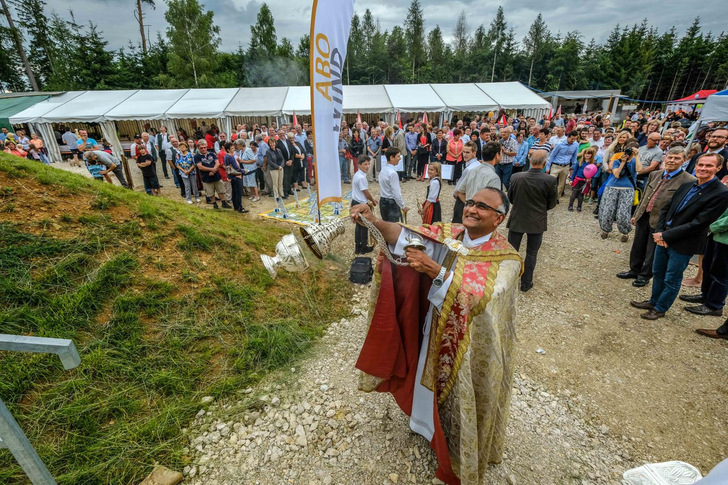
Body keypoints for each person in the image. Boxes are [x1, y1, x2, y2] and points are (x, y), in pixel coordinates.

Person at [351, 187, 522, 485]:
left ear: (498, 218)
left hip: (466, 349)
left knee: (460, 401)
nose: (471, 209)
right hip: (435, 325)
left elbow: (482, 298)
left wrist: (436, 271)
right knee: (424, 378)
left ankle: (458, 452)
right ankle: (425, 425)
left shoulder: (508, 259)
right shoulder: (450, 233)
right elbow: (405, 236)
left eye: (482, 206)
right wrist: (374, 223)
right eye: (470, 202)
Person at [631, 153, 728, 320]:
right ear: (695, 165)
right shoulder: (688, 184)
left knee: (672, 278)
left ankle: (660, 308)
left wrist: (666, 235)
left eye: (709, 166)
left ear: (718, 168)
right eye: (701, 165)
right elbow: (666, 208)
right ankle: (653, 301)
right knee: (658, 271)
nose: (703, 168)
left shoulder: (720, 193)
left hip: (684, 242)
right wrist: (659, 232)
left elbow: (700, 223)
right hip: (663, 237)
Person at [617, 148, 694, 287]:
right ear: (665, 158)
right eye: (670, 157)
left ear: (684, 160)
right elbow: (646, 195)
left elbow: (682, 205)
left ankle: (645, 275)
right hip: (644, 215)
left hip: (662, 220)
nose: (672, 160)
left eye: (677, 158)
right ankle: (634, 270)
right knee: (638, 245)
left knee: (652, 250)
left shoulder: (689, 180)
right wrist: (636, 214)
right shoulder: (655, 174)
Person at [507, 150, 558, 291]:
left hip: (518, 217)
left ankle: (508, 280)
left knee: (512, 251)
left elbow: (510, 198)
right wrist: (540, 209)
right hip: (537, 219)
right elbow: (552, 203)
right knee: (531, 252)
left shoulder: (516, 177)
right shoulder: (550, 180)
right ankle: (526, 282)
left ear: (530, 160)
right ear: (544, 163)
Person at [681, 203, 728, 318]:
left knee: (721, 274)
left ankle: (714, 305)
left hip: (724, 238)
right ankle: (706, 295)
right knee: (708, 266)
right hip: (716, 235)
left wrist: (713, 226)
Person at [599, 143, 643, 242]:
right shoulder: (617, 161)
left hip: (628, 189)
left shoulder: (636, 160)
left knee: (623, 212)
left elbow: (639, 169)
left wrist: (637, 156)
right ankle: (605, 230)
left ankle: (625, 232)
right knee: (608, 210)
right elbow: (617, 175)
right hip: (612, 187)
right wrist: (623, 162)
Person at [451, 141, 482, 224]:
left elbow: (459, 188)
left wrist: (456, 194)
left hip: (464, 199)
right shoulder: (478, 164)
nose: (464, 155)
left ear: (474, 153)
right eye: (463, 152)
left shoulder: (469, 168)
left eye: (467, 152)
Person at [351, 155, 377, 254]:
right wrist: (373, 200)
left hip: (355, 201)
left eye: (368, 164)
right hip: (360, 203)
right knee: (364, 226)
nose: (367, 166)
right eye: (365, 164)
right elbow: (365, 192)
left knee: (359, 226)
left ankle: (358, 247)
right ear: (359, 165)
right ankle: (363, 247)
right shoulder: (361, 177)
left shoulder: (357, 175)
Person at [195, 140, 231, 210]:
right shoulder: (197, 156)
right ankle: (214, 204)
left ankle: (224, 203)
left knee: (221, 190)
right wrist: (211, 170)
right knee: (210, 192)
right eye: (201, 148)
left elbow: (217, 163)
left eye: (204, 147)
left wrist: (214, 170)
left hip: (216, 175)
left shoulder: (212, 154)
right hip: (206, 177)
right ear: (198, 148)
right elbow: (200, 166)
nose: (203, 149)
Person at [546, 130, 579, 199]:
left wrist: (573, 166)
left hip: (566, 166)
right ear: (568, 137)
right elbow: (552, 155)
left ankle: (556, 198)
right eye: (572, 139)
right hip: (556, 165)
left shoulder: (576, 145)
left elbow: (574, 156)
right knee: (552, 182)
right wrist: (548, 167)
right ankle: (548, 196)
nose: (573, 140)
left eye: (575, 139)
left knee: (562, 184)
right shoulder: (559, 144)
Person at [378, 147, 408, 222]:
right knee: (394, 229)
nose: (400, 158)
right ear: (391, 157)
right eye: (398, 156)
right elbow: (396, 194)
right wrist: (403, 206)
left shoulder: (383, 170)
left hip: (382, 201)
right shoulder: (393, 173)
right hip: (391, 204)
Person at [568, 146, 597, 212]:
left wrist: (590, 178)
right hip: (577, 179)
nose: (587, 155)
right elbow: (574, 171)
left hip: (585, 181)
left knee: (581, 194)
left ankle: (579, 206)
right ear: (583, 154)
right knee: (574, 193)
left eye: (589, 154)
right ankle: (570, 205)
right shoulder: (579, 162)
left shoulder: (593, 164)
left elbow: (593, 172)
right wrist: (571, 180)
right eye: (586, 153)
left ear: (592, 155)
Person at [223, 142, 248, 214]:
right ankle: (239, 207)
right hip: (236, 176)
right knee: (238, 192)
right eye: (232, 148)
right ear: (228, 149)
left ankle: (236, 206)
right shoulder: (230, 157)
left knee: (234, 192)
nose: (234, 149)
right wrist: (243, 171)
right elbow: (236, 167)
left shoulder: (226, 156)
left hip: (231, 176)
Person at [266, 137, 285, 205]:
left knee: (280, 182)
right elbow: (270, 161)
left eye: (273, 143)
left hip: (280, 168)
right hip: (274, 169)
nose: (272, 144)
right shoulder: (268, 151)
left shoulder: (278, 150)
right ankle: (276, 196)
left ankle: (281, 194)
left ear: (275, 143)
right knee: (275, 183)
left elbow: (282, 159)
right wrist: (277, 166)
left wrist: (281, 166)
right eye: (270, 143)